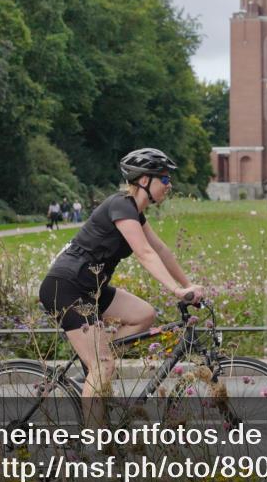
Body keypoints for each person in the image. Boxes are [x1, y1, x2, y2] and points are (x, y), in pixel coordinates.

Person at [38, 148, 203, 427]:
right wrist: (175, 290)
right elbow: (144, 254)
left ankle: (91, 372)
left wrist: (189, 285)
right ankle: (93, 451)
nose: (169, 184)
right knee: (104, 365)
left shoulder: (135, 214)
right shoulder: (121, 205)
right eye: (164, 178)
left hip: (92, 289)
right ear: (143, 181)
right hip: (66, 286)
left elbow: (160, 249)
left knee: (144, 315)